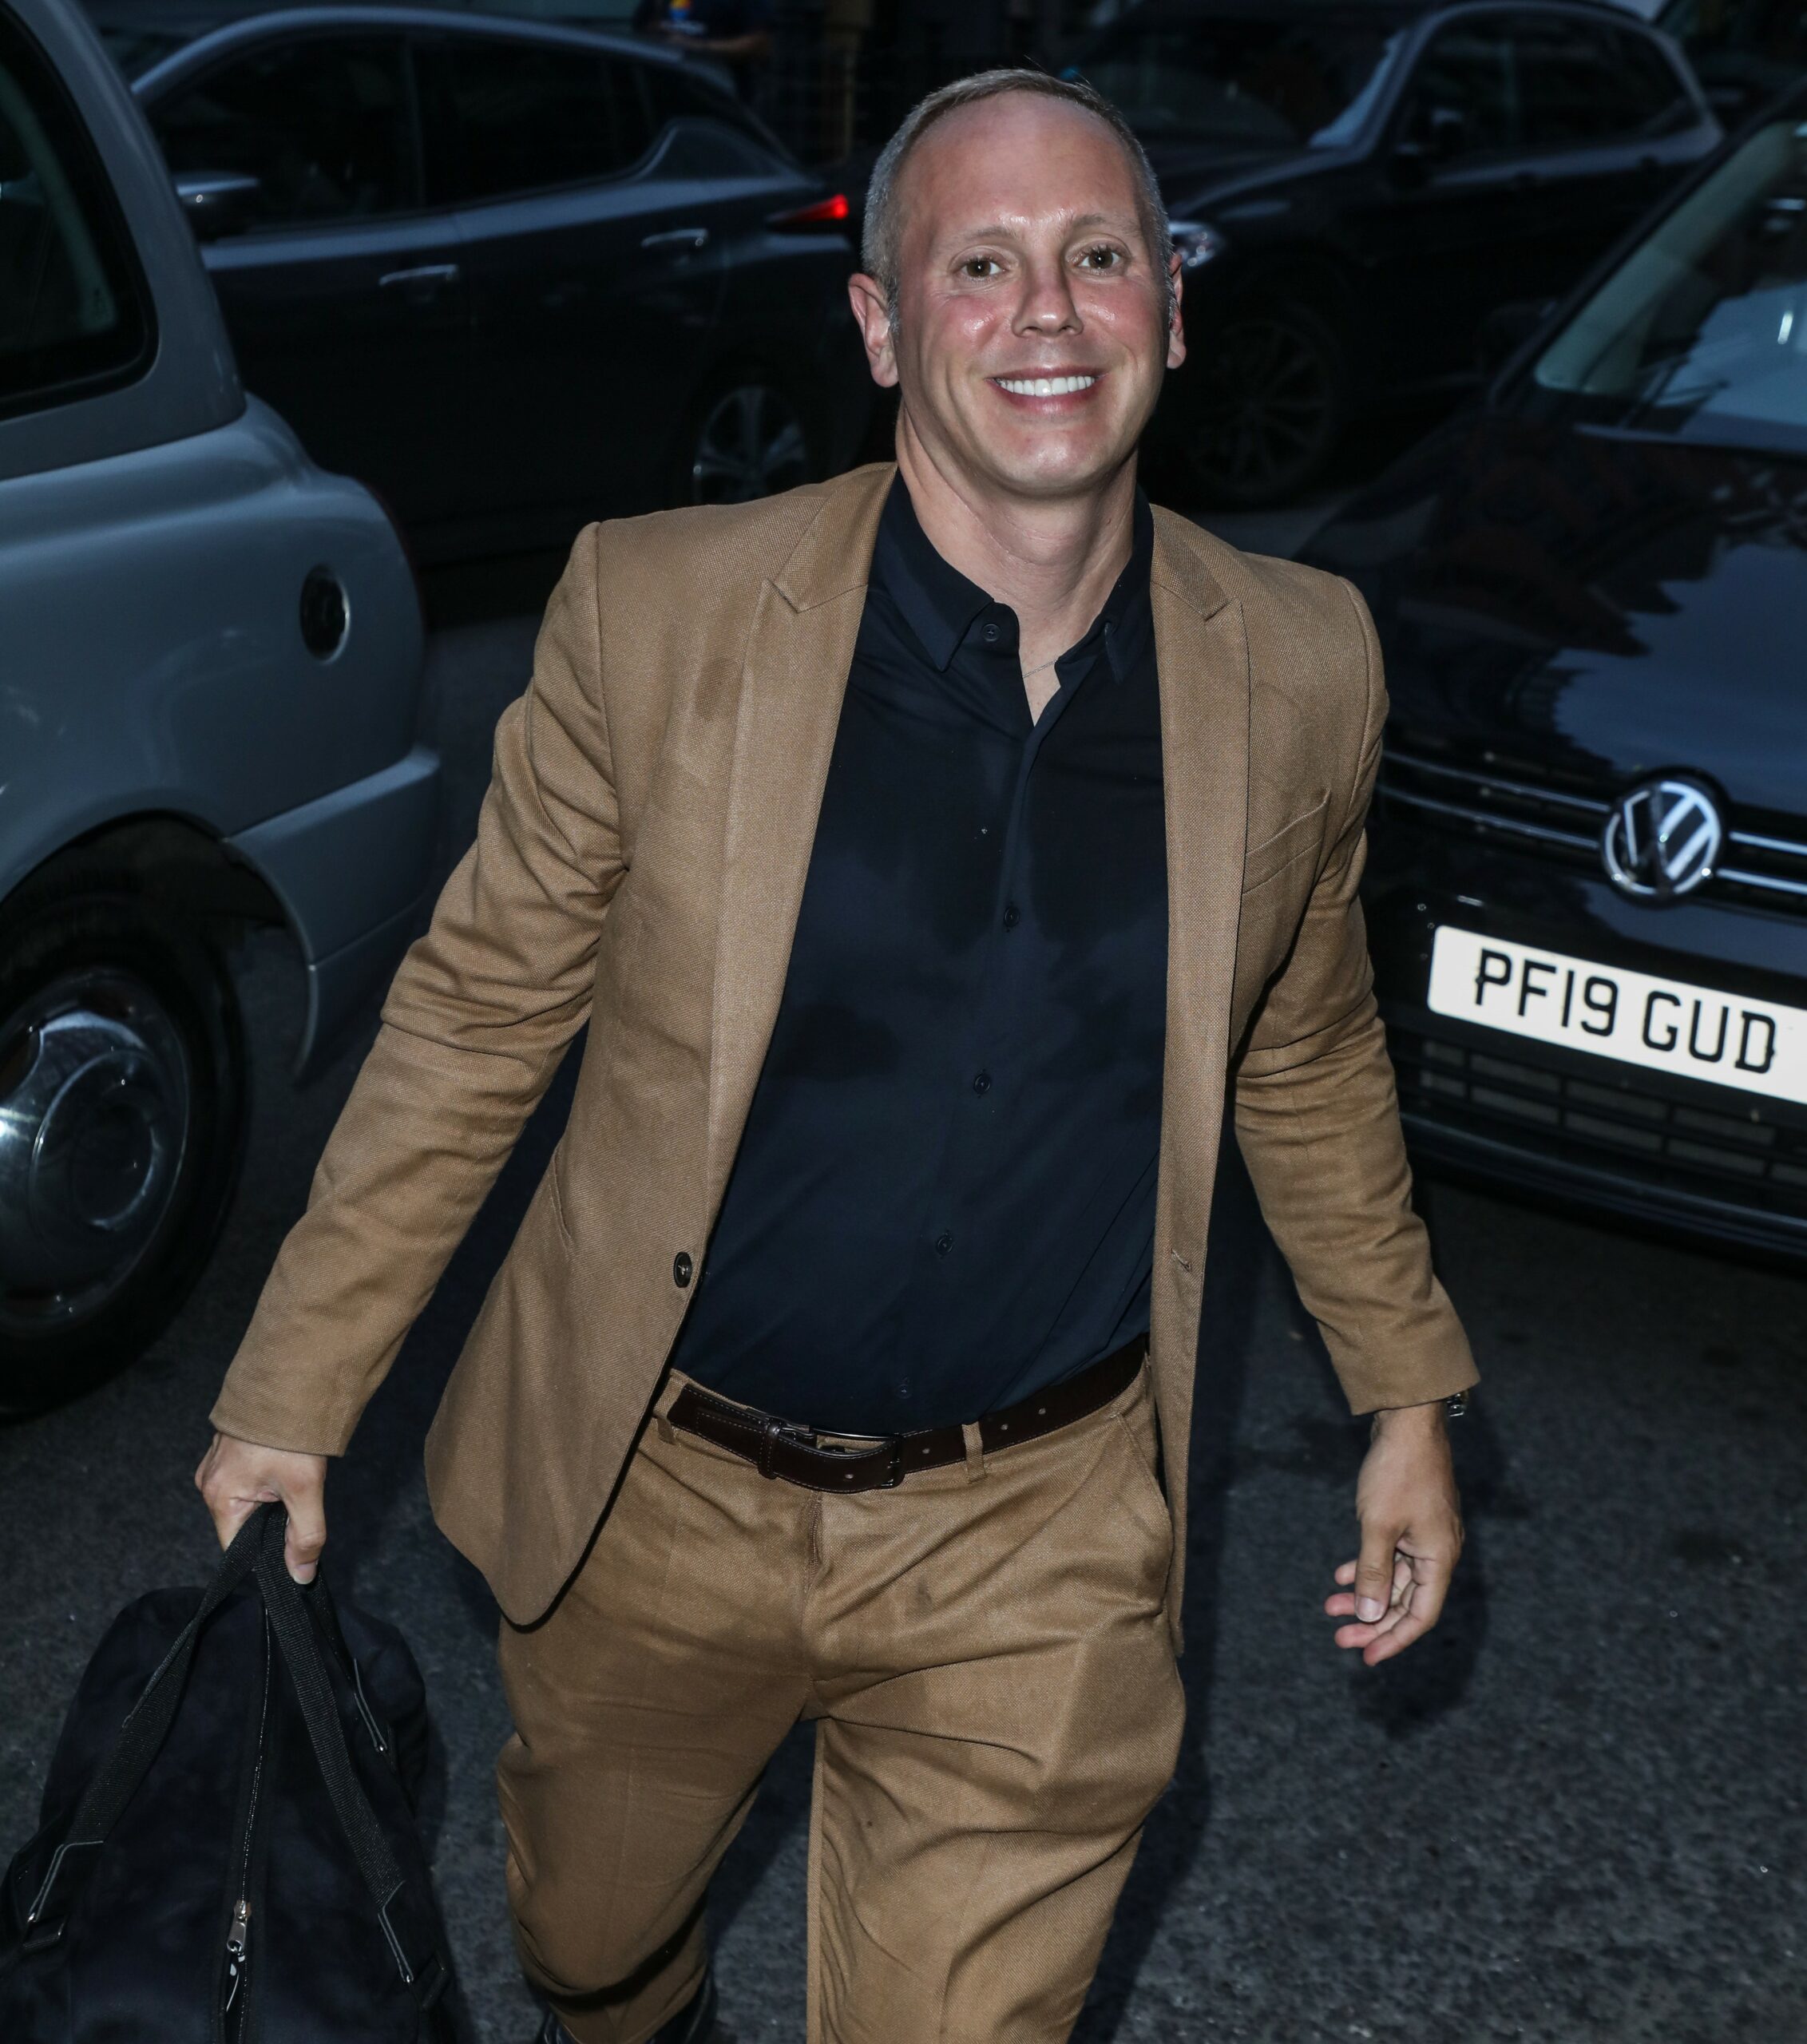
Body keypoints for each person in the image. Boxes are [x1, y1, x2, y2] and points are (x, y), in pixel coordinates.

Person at [196, 68, 1476, 2044]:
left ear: (1173, 301)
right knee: (589, 1948)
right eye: (979, 264)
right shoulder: (665, 614)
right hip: (661, 1480)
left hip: (1037, 1526)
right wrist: (294, 1391)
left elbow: (1301, 1044)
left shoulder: (1300, 664)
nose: (1046, 314)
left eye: (1098, 256)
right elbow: (475, 1013)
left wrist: (1401, 1389)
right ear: (880, 324)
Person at [631, 0, 771, 97]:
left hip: (719, 94)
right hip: (665, 91)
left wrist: (699, 47)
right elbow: (640, 30)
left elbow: (761, 45)